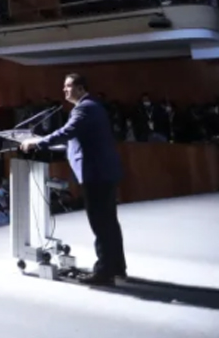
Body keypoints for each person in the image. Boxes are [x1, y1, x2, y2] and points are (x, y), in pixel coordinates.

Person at [21, 73, 127, 285]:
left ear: (80, 88)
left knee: (100, 223)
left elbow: (67, 131)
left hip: (95, 174)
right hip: (103, 172)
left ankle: (104, 271)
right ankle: (116, 267)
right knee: (109, 223)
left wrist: (38, 143)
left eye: (68, 86)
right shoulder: (93, 105)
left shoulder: (84, 108)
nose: (65, 90)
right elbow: (78, 138)